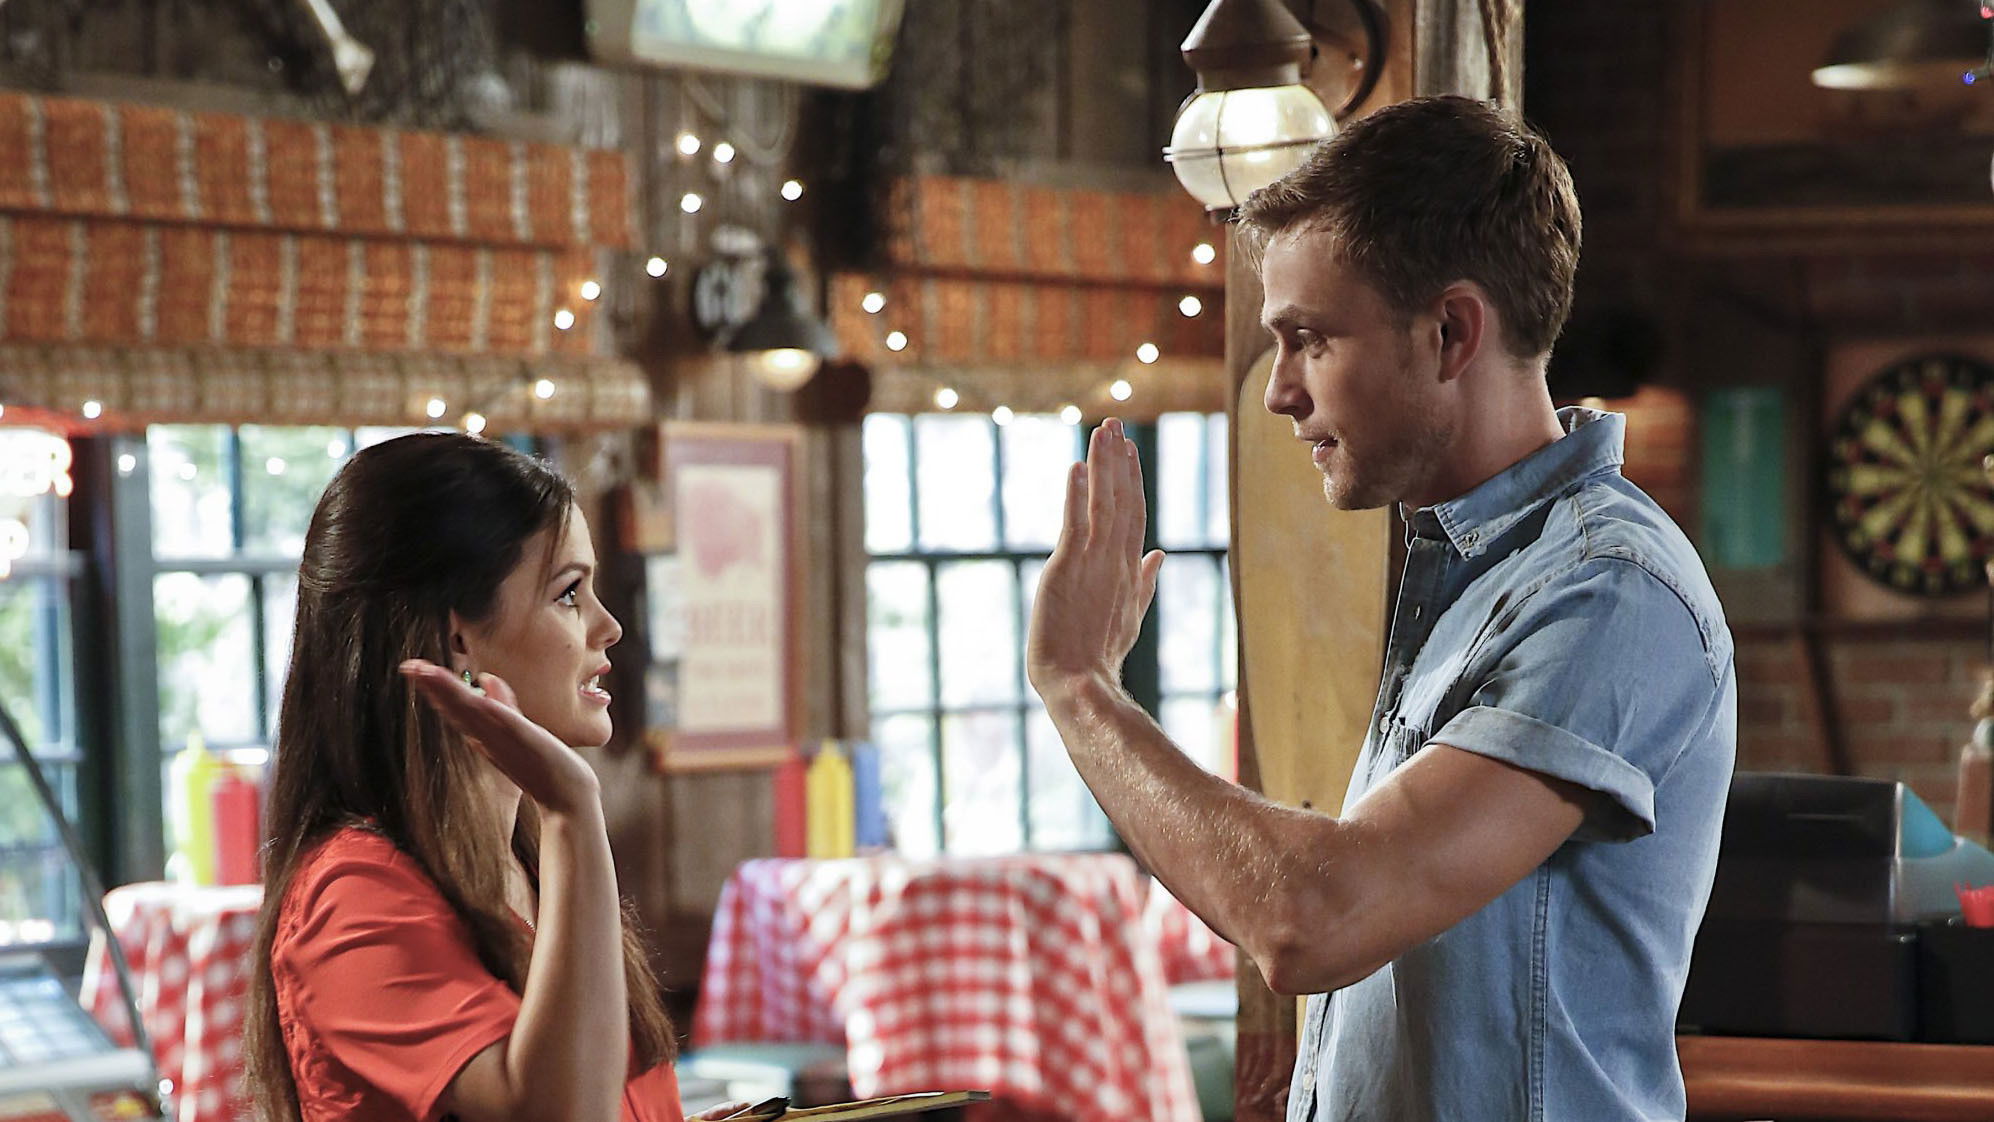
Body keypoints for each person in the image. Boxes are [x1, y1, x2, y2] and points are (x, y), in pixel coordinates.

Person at [1026, 95, 1735, 1121]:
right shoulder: (1467, 572)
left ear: (1450, 332)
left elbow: (1312, 918)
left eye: (1309, 339)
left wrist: (1080, 689)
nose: (1279, 392)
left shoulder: (1607, 590)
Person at [242, 432, 733, 1122]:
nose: (609, 626)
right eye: (569, 594)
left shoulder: (527, 864)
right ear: (458, 640)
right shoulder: (352, 895)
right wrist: (572, 804)